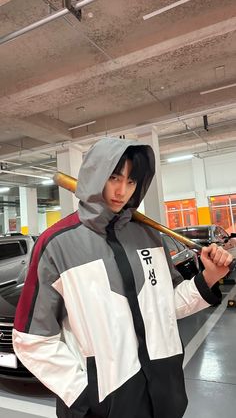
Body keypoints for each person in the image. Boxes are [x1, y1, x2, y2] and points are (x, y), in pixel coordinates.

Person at [13, 137, 233, 418]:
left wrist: (209, 277)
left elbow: (165, 307)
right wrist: (83, 395)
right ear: (95, 176)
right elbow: (31, 339)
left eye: (131, 182)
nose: (121, 191)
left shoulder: (150, 237)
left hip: (165, 394)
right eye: (114, 177)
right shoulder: (57, 244)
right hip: (103, 404)